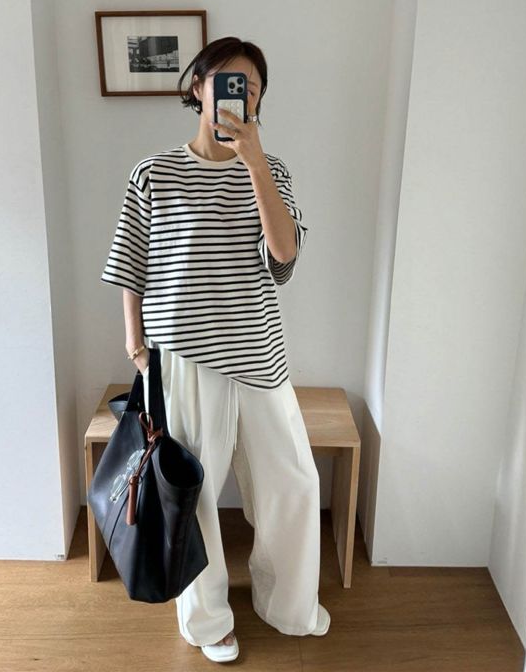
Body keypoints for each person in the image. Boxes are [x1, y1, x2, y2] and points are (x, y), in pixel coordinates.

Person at [101, 36, 330, 663]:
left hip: (258, 353)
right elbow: (131, 260)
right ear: (198, 86)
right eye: (228, 80)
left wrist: (254, 164)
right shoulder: (154, 171)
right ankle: (207, 623)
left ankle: (288, 604)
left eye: (250, 86)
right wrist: (134, 341)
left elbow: (283, 258)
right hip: (184, 357)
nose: (239, 93)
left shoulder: (272, 170)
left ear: (258, 101)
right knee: (193, 493)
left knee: (294, 484)